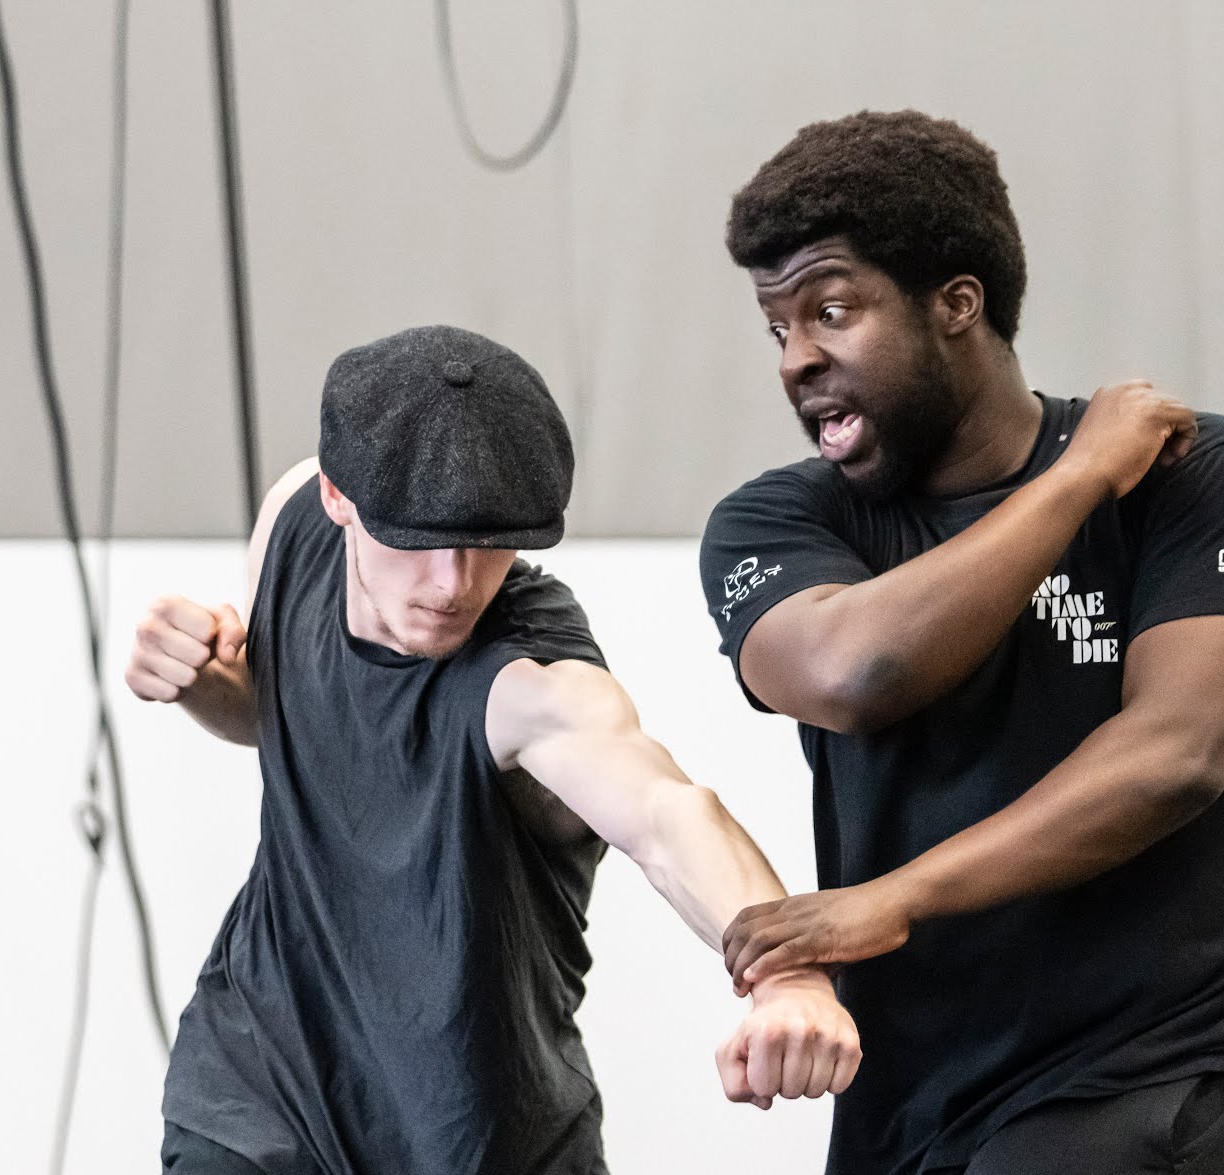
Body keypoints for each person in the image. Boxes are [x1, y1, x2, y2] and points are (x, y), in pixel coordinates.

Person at [698, 110, 1224, 1175]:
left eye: (831, 310)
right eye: (778, 328)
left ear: (955, 304)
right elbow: (857, 672)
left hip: (1160, 1081)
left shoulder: (1193, 472)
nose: (797, 360)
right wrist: (1075, 479)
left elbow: (1173, 757)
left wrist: (897, 894)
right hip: (909, 1104)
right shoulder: (778, 523)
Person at [126, 325, 859, 1175]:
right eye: (419, 540)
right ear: (339, 497)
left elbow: (665, 815)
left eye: (488, 542)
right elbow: (281, 715)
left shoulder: (529, 678)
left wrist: (789, 976)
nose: (452, 583)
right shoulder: (292, 520)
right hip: (260, 1087)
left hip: (479, 1132)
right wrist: (203, 679)